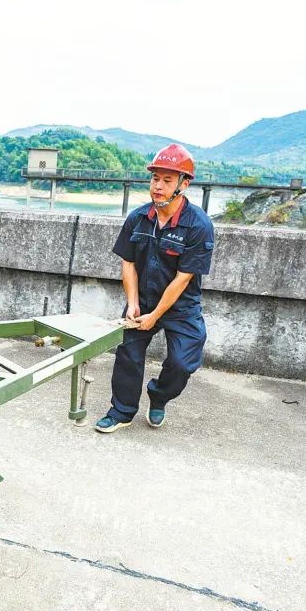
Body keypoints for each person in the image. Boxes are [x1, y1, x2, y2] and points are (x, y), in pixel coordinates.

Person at [96, 143, 215, 433]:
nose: (158, 186)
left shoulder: (198, 225)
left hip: (180, 306)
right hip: (143, 300)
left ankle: (159, 396)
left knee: (182, 363)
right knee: (129, 355)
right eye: (154, 178)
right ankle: (121, 411)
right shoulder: (138, 218)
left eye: (167, 180)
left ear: (184, 184)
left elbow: (183, 278)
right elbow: (128, 263)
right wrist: (134, 303)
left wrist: (157, 314)